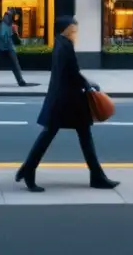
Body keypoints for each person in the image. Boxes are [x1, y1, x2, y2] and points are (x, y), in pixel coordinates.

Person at [15, 16, 118, 193]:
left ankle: (28, 170)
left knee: (68, 136)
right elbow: (72, 72)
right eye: (73, 29)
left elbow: (70, 72)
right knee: (62, 136)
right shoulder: (66, 46)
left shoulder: (60, 43)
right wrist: (88, 85)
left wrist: (85, 83)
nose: (75, 33)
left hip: (63, 99)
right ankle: (28, 170)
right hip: (67, 101)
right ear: (66, 29)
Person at [0, 11, 36, 88]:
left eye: (9, 16)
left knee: (14, 64)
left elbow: (9, 36)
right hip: (0, 47)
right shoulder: (4, 25)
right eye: (6, 16)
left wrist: (13, 36)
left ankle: (20, 80)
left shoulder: (9, 25)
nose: (7, 18)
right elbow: (4, 36)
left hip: (7, 47)